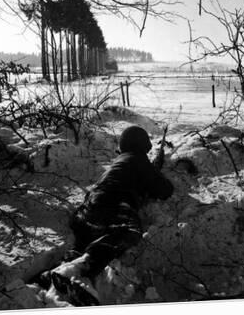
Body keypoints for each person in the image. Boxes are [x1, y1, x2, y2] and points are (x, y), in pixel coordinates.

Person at [50, 125, 174, 305]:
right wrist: (155, 171)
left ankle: (58, 271)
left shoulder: (120, 161)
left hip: (86, 211)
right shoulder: (138, 159)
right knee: (129, 230)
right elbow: (165, 190)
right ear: (143, 146)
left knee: (88, 240)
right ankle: (81, 271)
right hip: (111, 205)